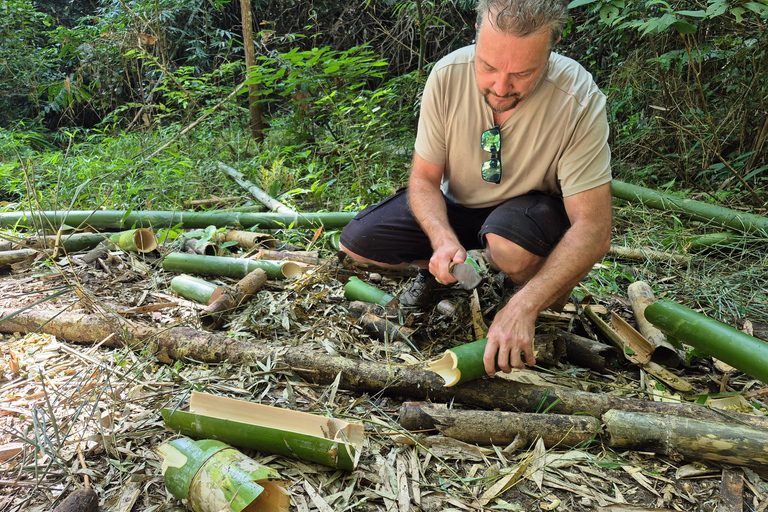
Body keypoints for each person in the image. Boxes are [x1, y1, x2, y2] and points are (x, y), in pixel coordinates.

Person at [340, 0, 612, 376]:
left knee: (510, 248)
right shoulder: (447, 75)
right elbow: (422, 181)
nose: (500, 87)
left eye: (523, 73)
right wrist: (442, 239)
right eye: (487, 67)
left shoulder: (578, 99)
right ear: (476, 32)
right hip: (460, 204)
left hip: (529, 214)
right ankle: (449, 271)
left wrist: (526, 307)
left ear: (553, 47)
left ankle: (513, 285)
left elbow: (594, 228)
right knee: (360, 241)